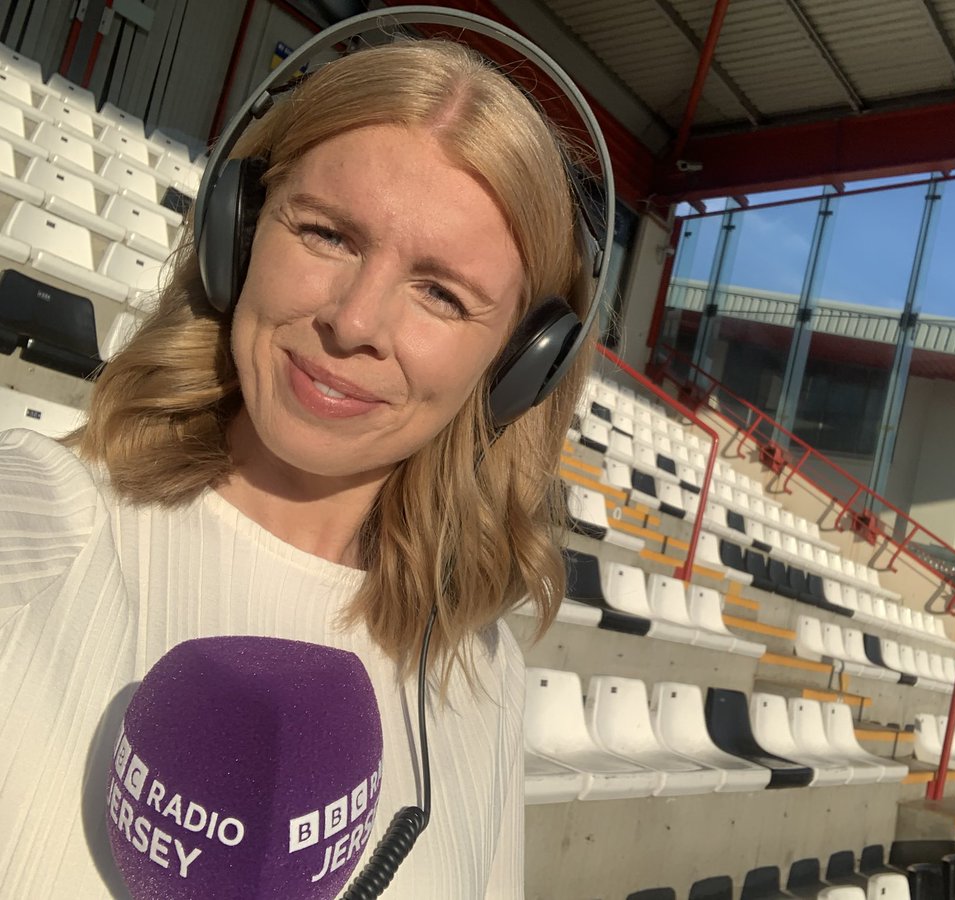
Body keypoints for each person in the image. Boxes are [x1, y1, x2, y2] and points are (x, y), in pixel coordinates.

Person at [0, 38, 596, 898]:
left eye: (441, 293)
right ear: (237, 231)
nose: (354, 322)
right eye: (326, 233)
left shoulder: (477, 667)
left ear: (517, 367)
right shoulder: (27, 518)